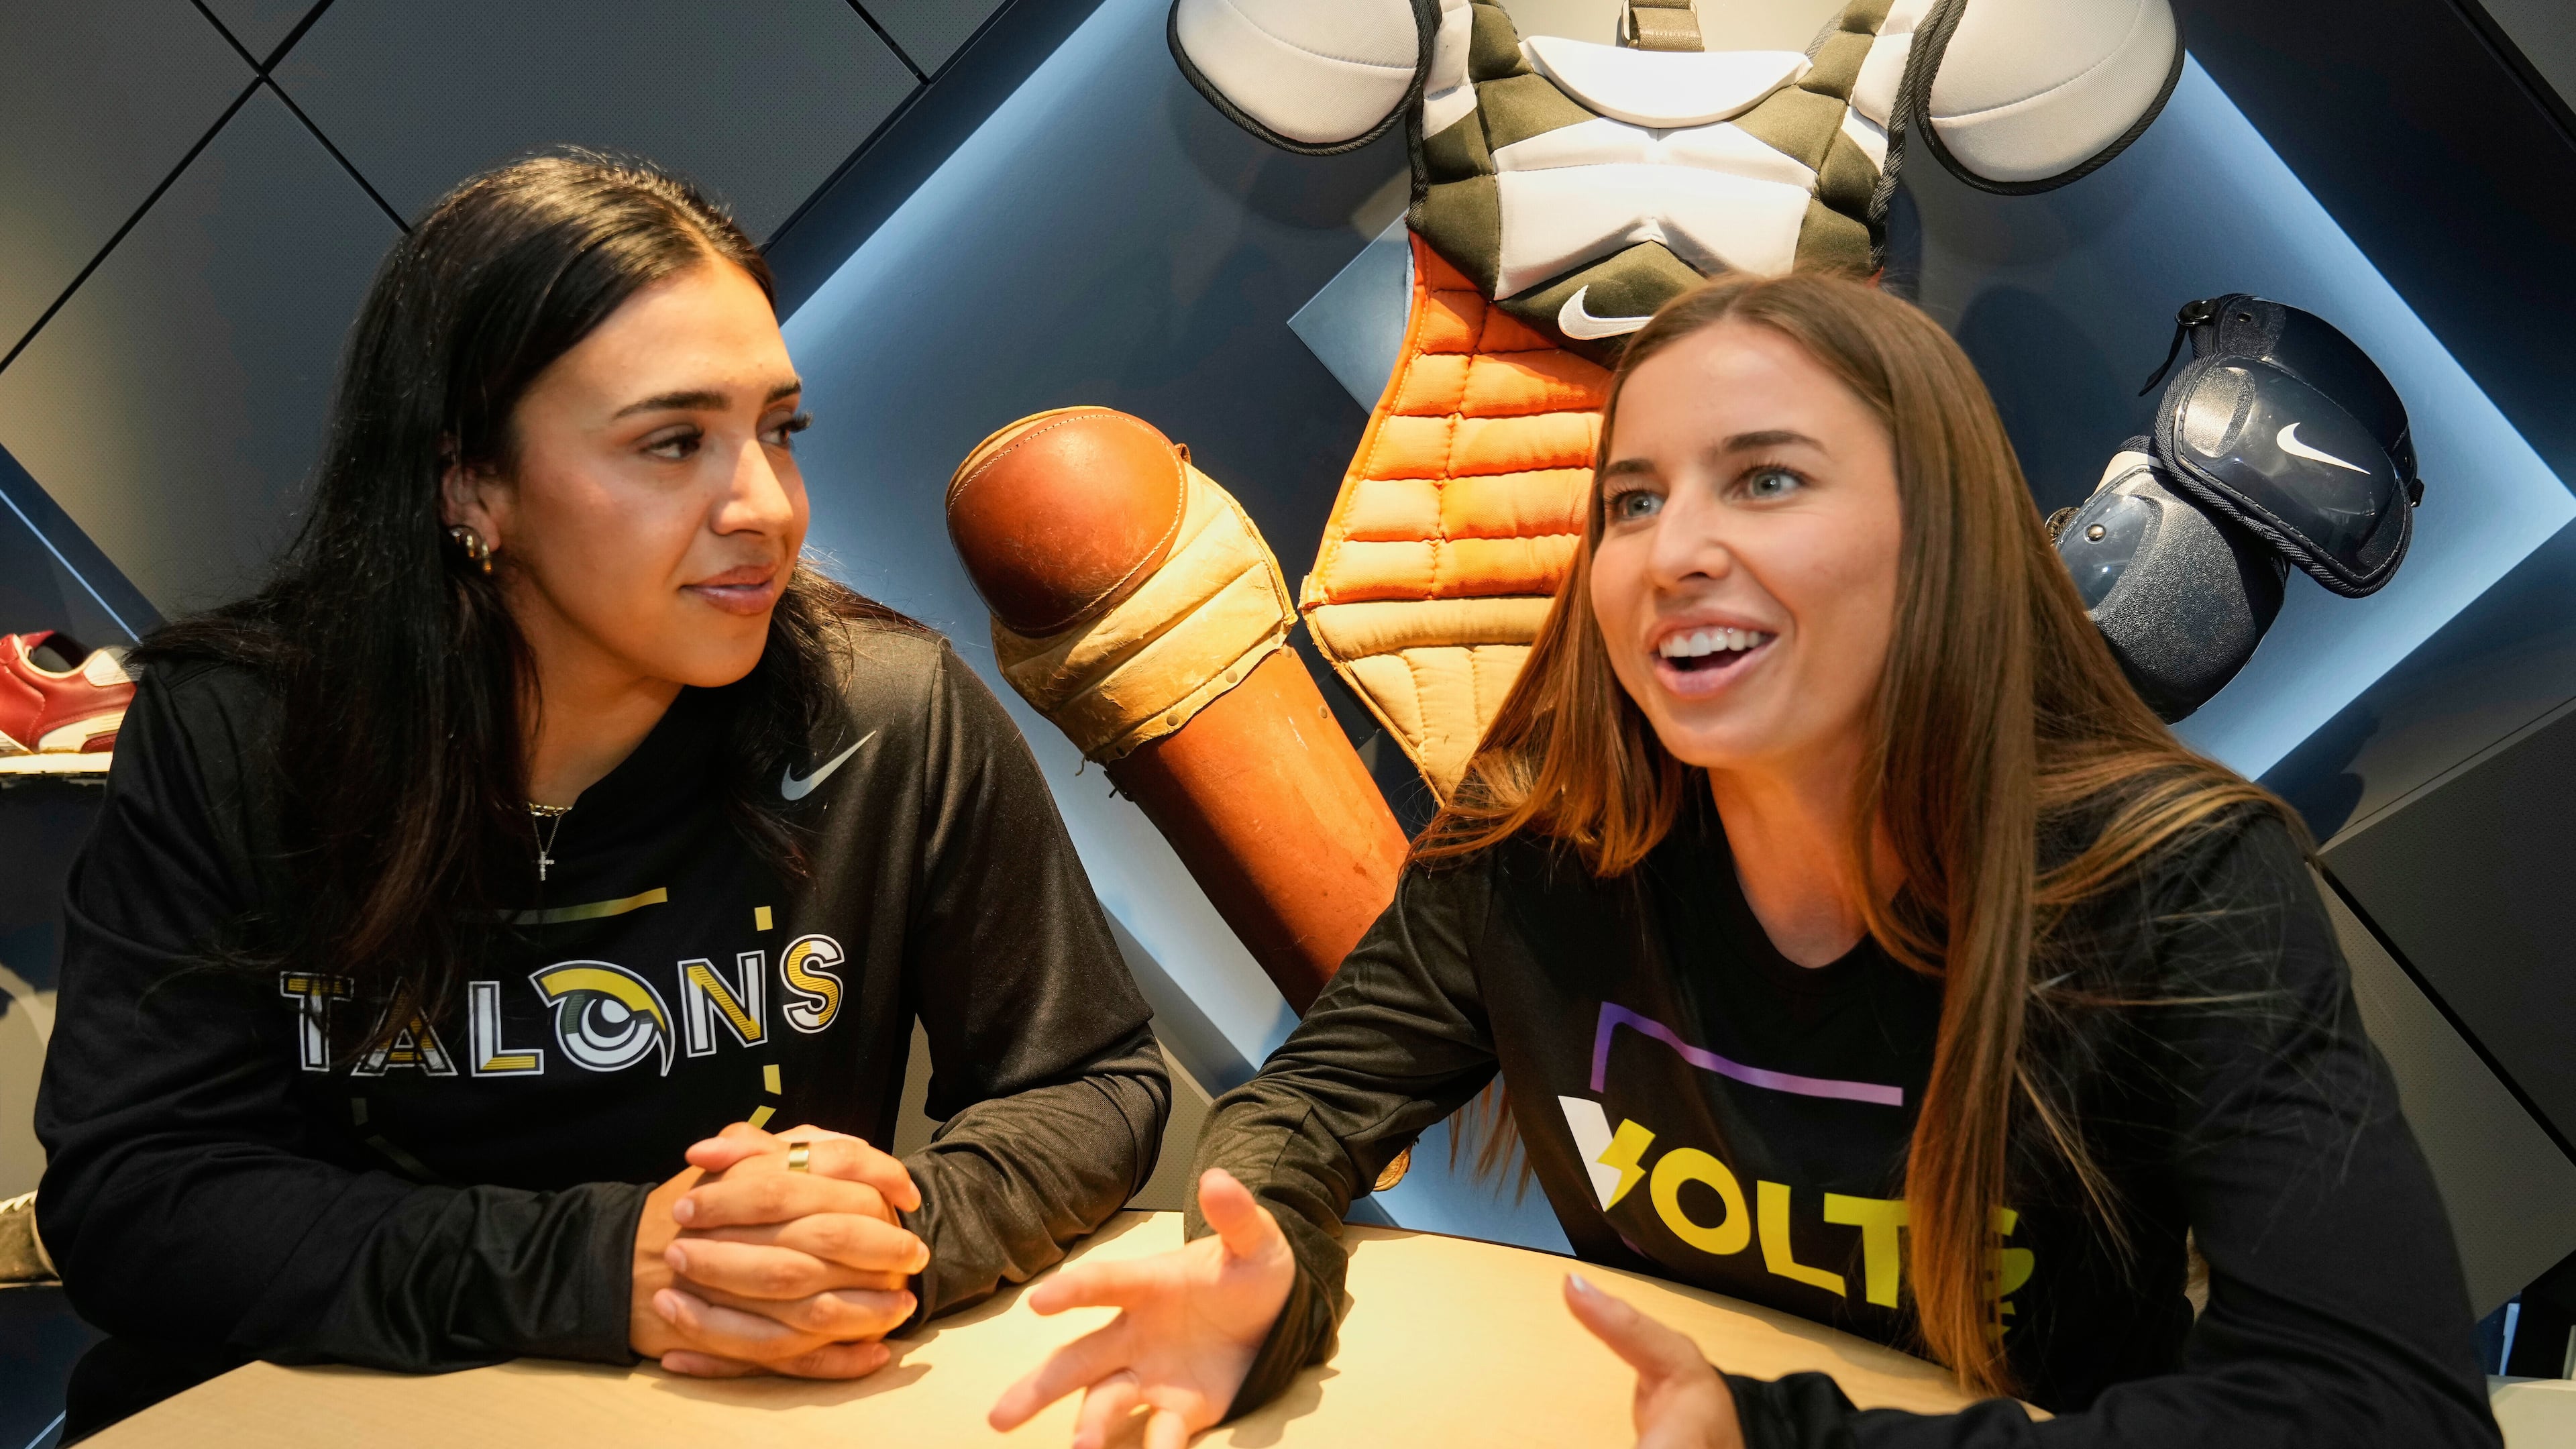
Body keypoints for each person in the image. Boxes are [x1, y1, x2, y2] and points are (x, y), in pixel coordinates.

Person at [988, 271, 2500, 1448]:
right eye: (1634, 500)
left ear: (1943, 536)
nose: (1675, 550)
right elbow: (1310, 1107)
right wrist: (1261, 1255)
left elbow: (2387, 1411)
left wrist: (1789, 1440)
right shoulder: (1536, 840)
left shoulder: (2178, 883)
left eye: (1767, 480)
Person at [34, 153, 1168, 1438]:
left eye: (778, 430)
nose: (765, 506)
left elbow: (1089, 1078)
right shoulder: (240, 732)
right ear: (471, 484)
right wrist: (609, 1268)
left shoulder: (886, 716)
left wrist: (883, 1239)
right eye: (673, 443)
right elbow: (137, 1196)